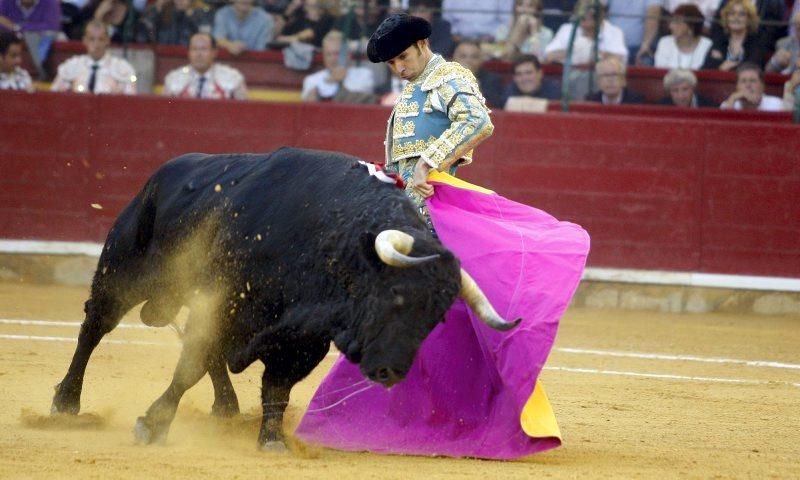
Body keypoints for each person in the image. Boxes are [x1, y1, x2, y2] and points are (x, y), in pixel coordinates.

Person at [294, 12, 590, 461]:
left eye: (403, 57)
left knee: (444, 316)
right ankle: (399, 415)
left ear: (422, 44)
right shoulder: (412, 90)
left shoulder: (449, 76)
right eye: (391, 63)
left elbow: (477, 122)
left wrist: (429, 161)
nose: (399, 68)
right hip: (407, 213)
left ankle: (469, 417)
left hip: (436, 217)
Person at [51, 20, 137, 95]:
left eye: (101, 39)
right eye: (92, 39)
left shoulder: (123, 69)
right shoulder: (70, 66)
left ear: (108, 40)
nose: (96, 44)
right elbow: (55, 98)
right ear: (84, 40)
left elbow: (129, 102)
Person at [163, 32, 247, 99]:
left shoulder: (233, 77)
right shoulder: (173, 78)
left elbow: (243, 112)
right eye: (194, 49)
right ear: (188, 53)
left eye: (204, 49)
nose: (199, 54)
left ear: (214, 52)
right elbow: (166, 111)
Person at [543, 0, 628, 66]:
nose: (584, 23)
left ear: (600, 17)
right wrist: (574, 50)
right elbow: (548, 56)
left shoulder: (614, 32)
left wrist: (593, 53)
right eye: (581, 18)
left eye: (589, 17)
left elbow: (621, 58)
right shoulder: (567, 29)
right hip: (571, 78)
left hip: (600, 77)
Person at [301, 30, 375, 103]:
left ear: (348, 54)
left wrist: (336, 81)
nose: (333, 58)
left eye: (337, 53)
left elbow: (357, 102)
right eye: (329, 54)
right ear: (323, 56)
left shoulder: (364, 75)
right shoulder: (311, 80)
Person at [0, 0, 60, 79]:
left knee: (39, 36)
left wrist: (18, 27)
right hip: (10, 37)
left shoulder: (50, 2)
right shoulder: (5, 1)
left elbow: (51, 26)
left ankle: (41, 72)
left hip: (41, 37)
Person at [703, 0, 767, 71]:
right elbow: (707, 66)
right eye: (732, 14)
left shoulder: (756, 41)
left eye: (742, 14)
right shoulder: (719, 40)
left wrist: (724, 65)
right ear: (726, 18)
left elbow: (753, 65)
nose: (736, 17)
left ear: (749, 19)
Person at [654, 4, 713, 70]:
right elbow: (660, 70)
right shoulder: (665, 42)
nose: (671, 26)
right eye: (671, 21)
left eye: (676, 22)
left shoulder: (707, 45)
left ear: (691, 26)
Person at [452, 40, 506, 108]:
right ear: (453, 59)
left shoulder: (492, 80)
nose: (468, 61)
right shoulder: (441, 78)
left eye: (474, 57)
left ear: (481, 60)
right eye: (463, 56)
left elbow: (494, 108)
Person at [607, 0, 662, 65]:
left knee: (645, 61)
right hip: (611, 47)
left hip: (639, 48)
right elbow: (599, 8)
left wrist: (645, 45)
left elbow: (653, 18)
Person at [137, 0, 214, 46]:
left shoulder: (202, 12)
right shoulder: (164, 12)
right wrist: (157, 8)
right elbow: (142, 37)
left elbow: (205, 38)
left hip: (190, 57)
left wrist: (191, 17)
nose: (180, 0)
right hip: (164, 56)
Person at [720, 61, 784, 110]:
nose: (748, 85)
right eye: (743, 81)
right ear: (737, 86)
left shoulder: (776, 104)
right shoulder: (729, 104)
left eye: (752, 80)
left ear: (762, 86)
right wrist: (732, 99)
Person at [442, 0, 513, 41]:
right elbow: (446, 21)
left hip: (493, 40)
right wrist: (455, 35)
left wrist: (495, 37)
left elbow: (507, 22)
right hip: (457, 40)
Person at [765, 10, 799, 75]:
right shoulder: (782, 43)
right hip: (787, 81)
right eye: (797, 24)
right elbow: (768, 72)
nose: (798, 27)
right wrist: (776, 62)